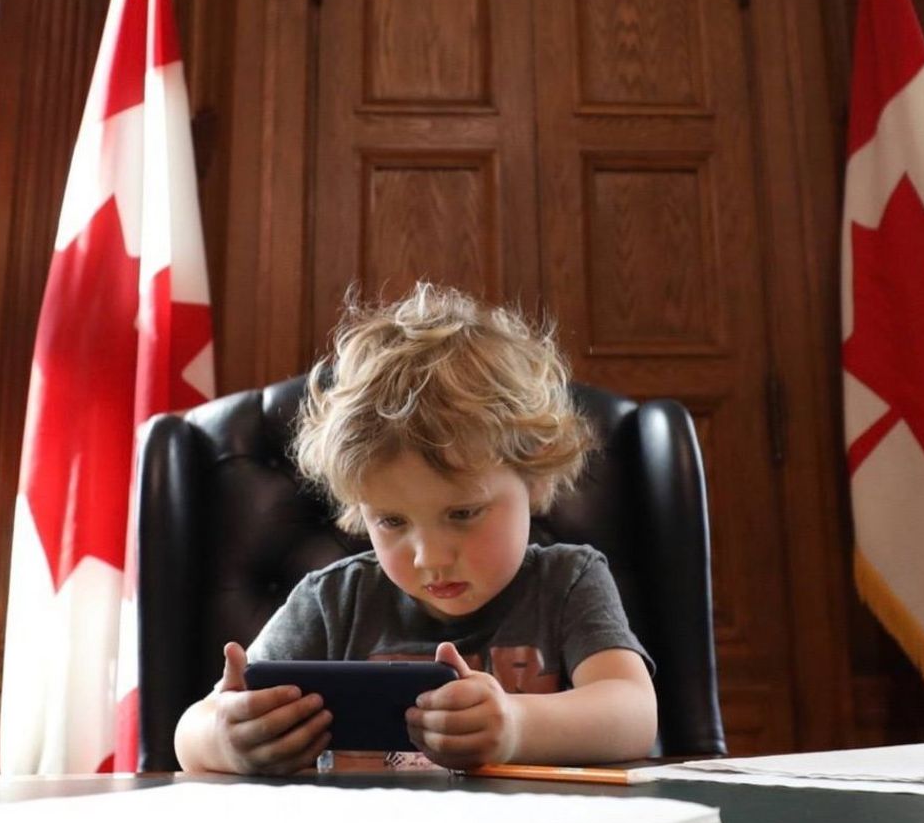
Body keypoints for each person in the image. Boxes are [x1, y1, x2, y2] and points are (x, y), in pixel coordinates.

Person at [172, 284, 659, 775]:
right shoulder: (332, 601)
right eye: (391, 520)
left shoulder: (568, 584)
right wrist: (226, 738)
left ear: (534, 480)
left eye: (464, 513)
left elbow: (635, 714)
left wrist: (515, 725)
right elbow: (193, 730)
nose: (430, 557)